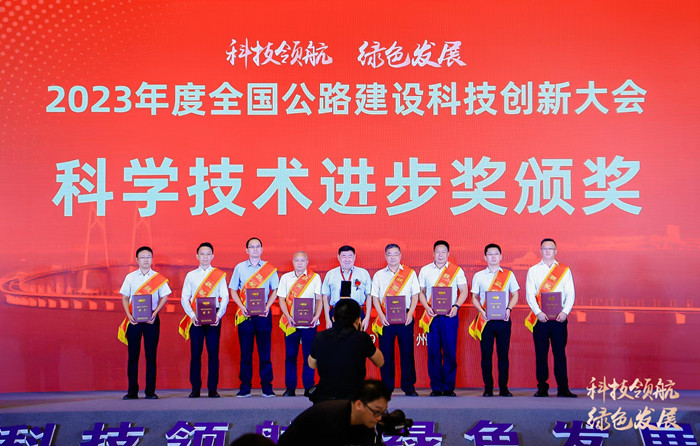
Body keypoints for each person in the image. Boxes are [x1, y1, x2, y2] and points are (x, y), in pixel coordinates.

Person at [118, 246, 172, 400]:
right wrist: (128, 315)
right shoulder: (130, 277)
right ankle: (132, 391)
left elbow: (165, 297)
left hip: (151, 320)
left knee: (151, 356)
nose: (146, 260)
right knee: (133, 356)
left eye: (148, 257)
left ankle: (150, 392)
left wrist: (155, 313)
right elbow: (124, 297)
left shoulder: (158, 278)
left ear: (152, 259)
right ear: (137, 259)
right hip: (134, 320)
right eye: (143, 257)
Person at [525, 238, 577, 398]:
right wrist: (538, 313)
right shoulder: (533, 270)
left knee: (560, 354)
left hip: (559, 319)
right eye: (545, 248)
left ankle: (563, 388)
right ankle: (542, 388)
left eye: (551, 248)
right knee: (541, 355)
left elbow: (570, 293)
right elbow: (530, 294)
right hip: (540, 320)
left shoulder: (564, 270)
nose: (547, 251)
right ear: (541, 251)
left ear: (556, 251)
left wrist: (565, 312)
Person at [417, 240, 468, 397]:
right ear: (433, 253)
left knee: (450, 351)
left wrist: (456, 306)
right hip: (432, 316)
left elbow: (464, 291)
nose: (440, 255)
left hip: (449, 316)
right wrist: (426, 307)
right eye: (437, 252)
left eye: (443, 252)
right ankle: (436, 387)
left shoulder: (456, 271)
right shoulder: (425, 270)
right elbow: (420, 292)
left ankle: (449, 387)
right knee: (433, 352)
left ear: (448, 254)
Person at [229, 237, 279, 398]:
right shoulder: (240, 268)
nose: (255, 249)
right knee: (246, 353)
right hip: (245, 316)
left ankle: (267, 387)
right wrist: (242, 307)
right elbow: (233, 290)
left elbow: (276, 290)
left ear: (262, 249)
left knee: (265, 353)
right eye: (252, 247)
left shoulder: (269, 269)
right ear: (247, 250)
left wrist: (267, 306)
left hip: (263, 315)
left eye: (258, 246)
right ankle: (245, 387)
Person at [308, 299, 384, 403]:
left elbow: (312, 364)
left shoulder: (320, 337)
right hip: (354, 401)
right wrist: (360, 334)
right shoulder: (362, 338)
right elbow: (380, 362)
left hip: (325, 399)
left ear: (333, 318)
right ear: (358, 320)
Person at [179, 242, 229, 398]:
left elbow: (225, 296)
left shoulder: (219, 275)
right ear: (197, 256)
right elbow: (184, 298)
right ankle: (195, 389)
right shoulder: (190, 275)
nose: (205, 257)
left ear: (212, 256)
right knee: (195, 354)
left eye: (208, 254)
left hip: (214, 317)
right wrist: (192, 316)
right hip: (196, 318)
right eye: (202, 254)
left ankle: (213, 389)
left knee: (213, 353)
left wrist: (218, 316)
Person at [470, 243, 519, 397]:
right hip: (486, 321)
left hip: (503, 320)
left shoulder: (508, 275)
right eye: (490, 254)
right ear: (485, 257)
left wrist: (509, 309)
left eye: (496, 254)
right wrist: (481, 310)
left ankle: (504, 388)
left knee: (503, 355)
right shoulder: (478, 276)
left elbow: (515, 295)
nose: (493, 256)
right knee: (486, 355)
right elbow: (474, 297)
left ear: (501, 256)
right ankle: (488, 388)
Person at [277, 379, 391, 446]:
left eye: (382, 412)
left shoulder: (364, 420)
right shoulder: (331, 418)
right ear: (359, 404)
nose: (379, 418)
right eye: (377, 412)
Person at [371, 243, 420, 396]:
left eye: (396, 254)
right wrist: (381, 315)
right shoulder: (379, 275)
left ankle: (409, 386)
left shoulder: (410, 274)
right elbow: (375, 297)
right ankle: (387, 387)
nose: (393, 257)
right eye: (390, 254)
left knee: (407, 352)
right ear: (385, 256)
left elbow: (415, 295)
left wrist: (411, 313)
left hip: (405, 317)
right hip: (386, 317)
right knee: (386, 353)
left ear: (400, 255)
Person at [277, 251, 323, 397]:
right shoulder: (285, 278)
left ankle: (309, 387)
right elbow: (281, 299)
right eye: (297, 260)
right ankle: (290, 388)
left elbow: (319, 299)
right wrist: (287, 316)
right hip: (291, 323)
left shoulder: (315, 278)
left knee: (309, 356)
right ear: (293, 262)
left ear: (307, 262)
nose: (300, 263)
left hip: (309, 324)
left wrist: (316, 316)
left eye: (302, 260)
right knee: (290, 356)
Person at [321, 245, 373, 331]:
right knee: (337, 338)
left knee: (356, 338)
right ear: (338, 257)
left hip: (357, 312)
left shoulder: (363, 273)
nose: (347, 259)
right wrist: (327, 319)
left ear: (354, 257)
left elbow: (369, 296)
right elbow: (325, 297)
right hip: (337, 313)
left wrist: (367, 318)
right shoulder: (331, 274)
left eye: (350, 256)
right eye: (344, 256)